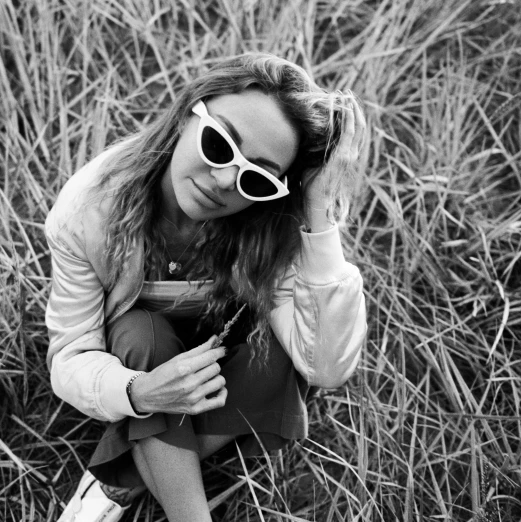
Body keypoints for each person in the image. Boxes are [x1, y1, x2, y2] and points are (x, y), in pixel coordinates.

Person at [46, 52, 367, 522]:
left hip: (225, 351)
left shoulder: (275, 220)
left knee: (276, 353)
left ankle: (119, 478)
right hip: (139, 350)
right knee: (141, 331)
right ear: (187, 113)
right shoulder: (88, 210)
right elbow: (71, 355)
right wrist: (141, 392)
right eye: (219, 145)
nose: (222, 181)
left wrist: (318, 210)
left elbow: (325, 367)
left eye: (256, 179)